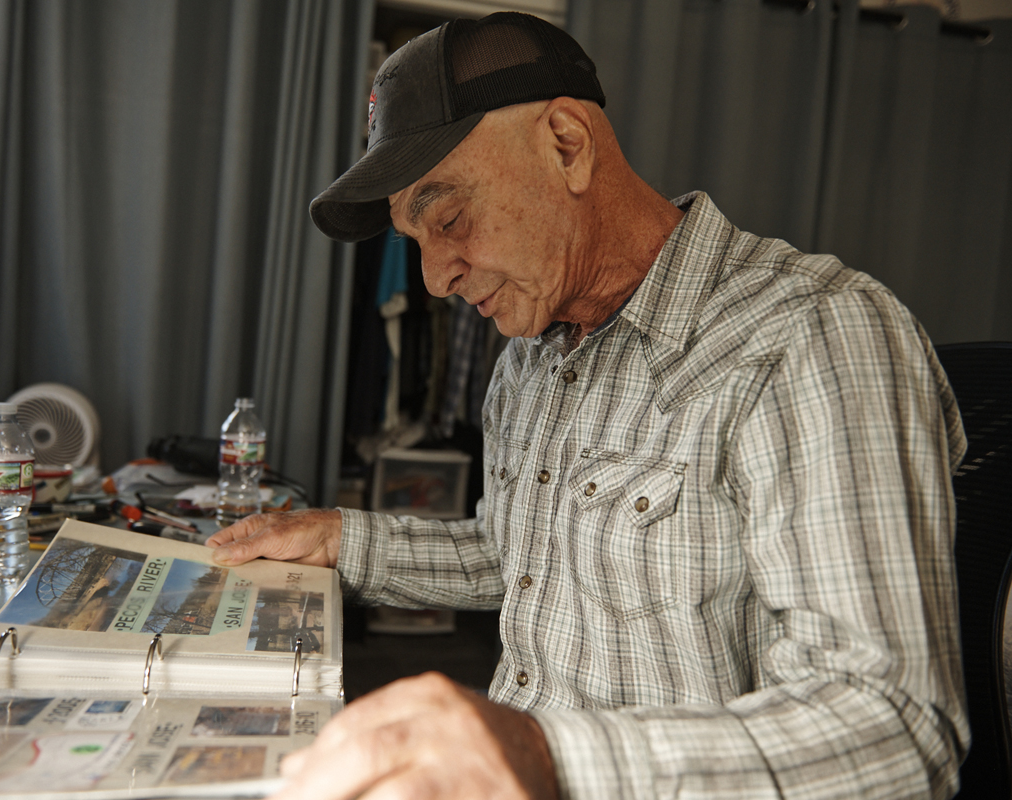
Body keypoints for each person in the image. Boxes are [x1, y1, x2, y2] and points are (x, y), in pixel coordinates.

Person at [208, 12, 968, 800]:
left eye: (449, 218)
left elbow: (894, 726)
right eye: (415, 241)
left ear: (568, 143)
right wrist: (339, 539)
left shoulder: (815, 337)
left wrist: (543, 756)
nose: (434, 276)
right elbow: (518, 560)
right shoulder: (530, 359)